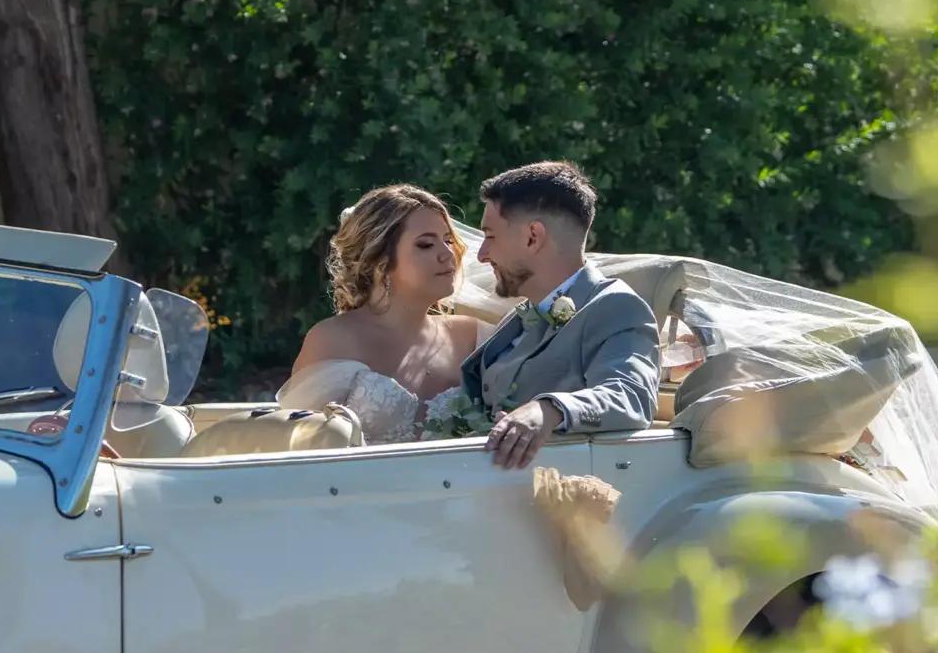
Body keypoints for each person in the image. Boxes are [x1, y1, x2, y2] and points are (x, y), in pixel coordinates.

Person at [462, 161, 660, 469]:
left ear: (533, 237)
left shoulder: (617, 307)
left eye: (490, 235)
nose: (482, 254)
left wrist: (548, 409)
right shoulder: (523, 314)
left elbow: (630, 396)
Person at [277, 184, 486, 442]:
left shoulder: (471, 337)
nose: (447, 254)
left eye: (448, 240)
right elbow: (298, 448)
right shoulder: (332, 340)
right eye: (426, 245)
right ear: (379, 261)